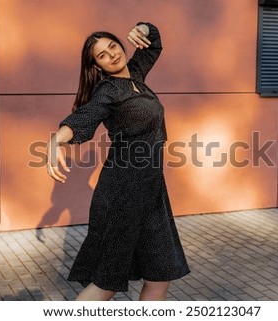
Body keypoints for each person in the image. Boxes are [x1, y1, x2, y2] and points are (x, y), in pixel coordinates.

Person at [46, 22, 190, 301]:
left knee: (160, 277)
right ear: (97, 66)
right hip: (122, 193)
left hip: (151, 191)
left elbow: (154, 43)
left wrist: (143, 27)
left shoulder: (135, 76)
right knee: (107, 282)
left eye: (112, 46)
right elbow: (84, 118)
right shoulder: (108, 91)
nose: (111, 54)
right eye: (101, 55)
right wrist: (56, 140)